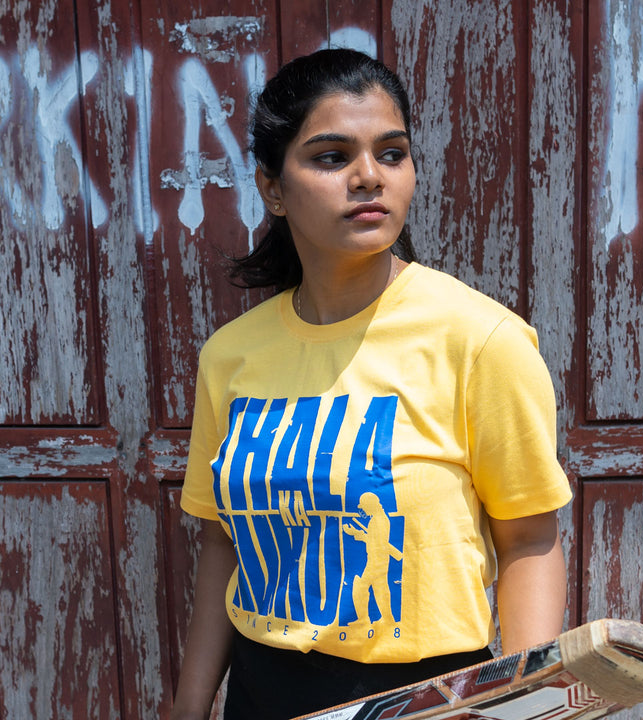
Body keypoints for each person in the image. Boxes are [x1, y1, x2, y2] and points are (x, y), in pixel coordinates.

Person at [171, 48, 572, 720]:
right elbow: (222, 541)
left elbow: (530, 538)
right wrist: (189, 707)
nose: (369, 177)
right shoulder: (230, 356)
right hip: (261, 690)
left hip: (424, 699)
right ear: (273, 188)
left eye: (392, 153)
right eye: (332, 157)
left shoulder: (480, 339)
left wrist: (521, 707)